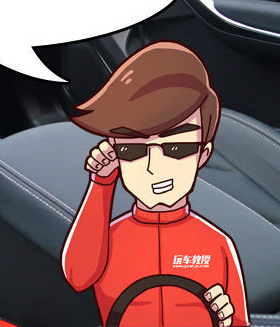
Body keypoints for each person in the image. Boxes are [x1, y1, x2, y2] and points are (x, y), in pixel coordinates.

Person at [61, 41, 249, 327]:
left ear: (202, 155)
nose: (154, 167)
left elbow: (239, 322)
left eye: (176, 148)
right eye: (133, 151)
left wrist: (226, 319)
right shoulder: (107, 240)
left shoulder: (217, 244)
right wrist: (101, 183)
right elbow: (78, 276)